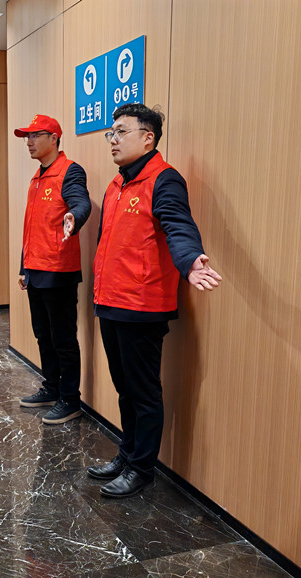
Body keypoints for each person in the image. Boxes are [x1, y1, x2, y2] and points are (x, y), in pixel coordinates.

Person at [86, 104, 221, 498]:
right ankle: (127, 455)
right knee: (124, 388)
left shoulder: (165, 179)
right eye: (110, 133)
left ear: (148, 138)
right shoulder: (117, 184)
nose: (112, 140)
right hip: (110, 301)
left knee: (143, 392)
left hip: (141, 307)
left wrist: (190, 261)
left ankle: (141, 468)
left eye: (121, 132)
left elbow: (178, 225)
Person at [13, 115, 91, 425]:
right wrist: (23, 266)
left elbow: (80, 202)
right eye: (27, 137)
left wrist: (74, 216)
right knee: (43, 335)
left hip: (58, 270)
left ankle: (70, 399)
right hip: (35, 269)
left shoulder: (70, 171)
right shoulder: (37, 177)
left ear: (54, 138)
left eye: (35, 135)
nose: (29, 142)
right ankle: (51, 388)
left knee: (63, 338)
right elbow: (31, 227)